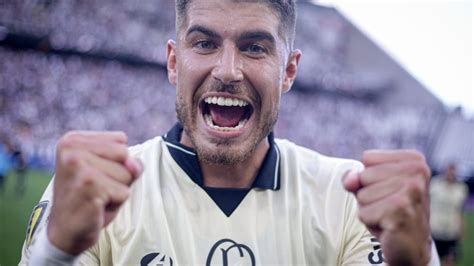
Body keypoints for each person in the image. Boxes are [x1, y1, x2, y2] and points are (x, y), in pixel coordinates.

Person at [20, 1, 439, 265]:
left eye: (255, 47)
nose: (227, 71)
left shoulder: (351, 198)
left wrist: (419, 261)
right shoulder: (93, 192)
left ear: (289, 71)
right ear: (173, 61)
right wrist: (57, 254)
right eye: (203, 43)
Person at [430, 164, 468, 266]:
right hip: (435, 229)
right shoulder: (434, 184)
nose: (451, 174)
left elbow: (460, 210)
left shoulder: (461, 188)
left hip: (451, 231)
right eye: (449, 171)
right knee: (433, 260)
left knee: (450, 260)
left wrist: (461, 228)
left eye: (453, 171)